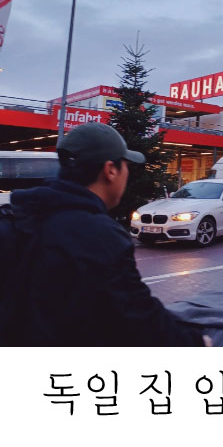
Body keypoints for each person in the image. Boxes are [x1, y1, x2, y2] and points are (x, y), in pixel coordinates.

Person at [2, 123, 206, 346]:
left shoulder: (17, 216)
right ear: (110, 170)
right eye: (126, 165)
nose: (127, 173)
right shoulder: (101, 236)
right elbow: (140, 316)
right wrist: (196, 343)